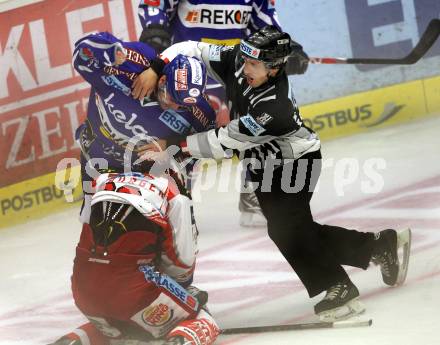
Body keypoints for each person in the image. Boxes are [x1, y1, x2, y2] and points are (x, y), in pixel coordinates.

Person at [130, 26, 412, 321]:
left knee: (288, 229)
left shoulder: (274, 109)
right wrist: (155, 67)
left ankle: (338, 286)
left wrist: (173, 146)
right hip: (262, 165)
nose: (246, 67)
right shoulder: (239, 59)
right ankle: (380, 245)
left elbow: (224, 140)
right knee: (296, 230)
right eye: (246, 60)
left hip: (295, 163)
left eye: (255, 65)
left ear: (275, 69)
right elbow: (191, 47)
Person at [137, 0, 309, 227]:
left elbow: (264, 26)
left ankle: (257, 195)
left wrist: (282, 52)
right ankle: (171, 203)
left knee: (260, 130)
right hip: (186, 72)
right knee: (180, 138)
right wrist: (154, 30)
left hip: (235, 70)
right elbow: (154, 5)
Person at [48, 172, 220, 345]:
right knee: (201, 317)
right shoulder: (171, 192)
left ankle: (72, 341)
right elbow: (181, 265)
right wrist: (183, 293)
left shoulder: (101, 180)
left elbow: (87, 227)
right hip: (132, 291)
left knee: (121, 331)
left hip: (82, 287)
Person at [72, 31, 216, 223]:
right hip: (99, 155)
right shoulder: (136, 61)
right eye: (174, 98)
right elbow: (83, 53)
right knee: (90, 220)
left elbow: (204, 147)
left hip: (149, 169)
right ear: (162, 80)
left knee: (174, 222)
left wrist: (172, 146)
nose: (176, 107)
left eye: (184, 105)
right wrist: (110, 51)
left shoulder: (201, 113)